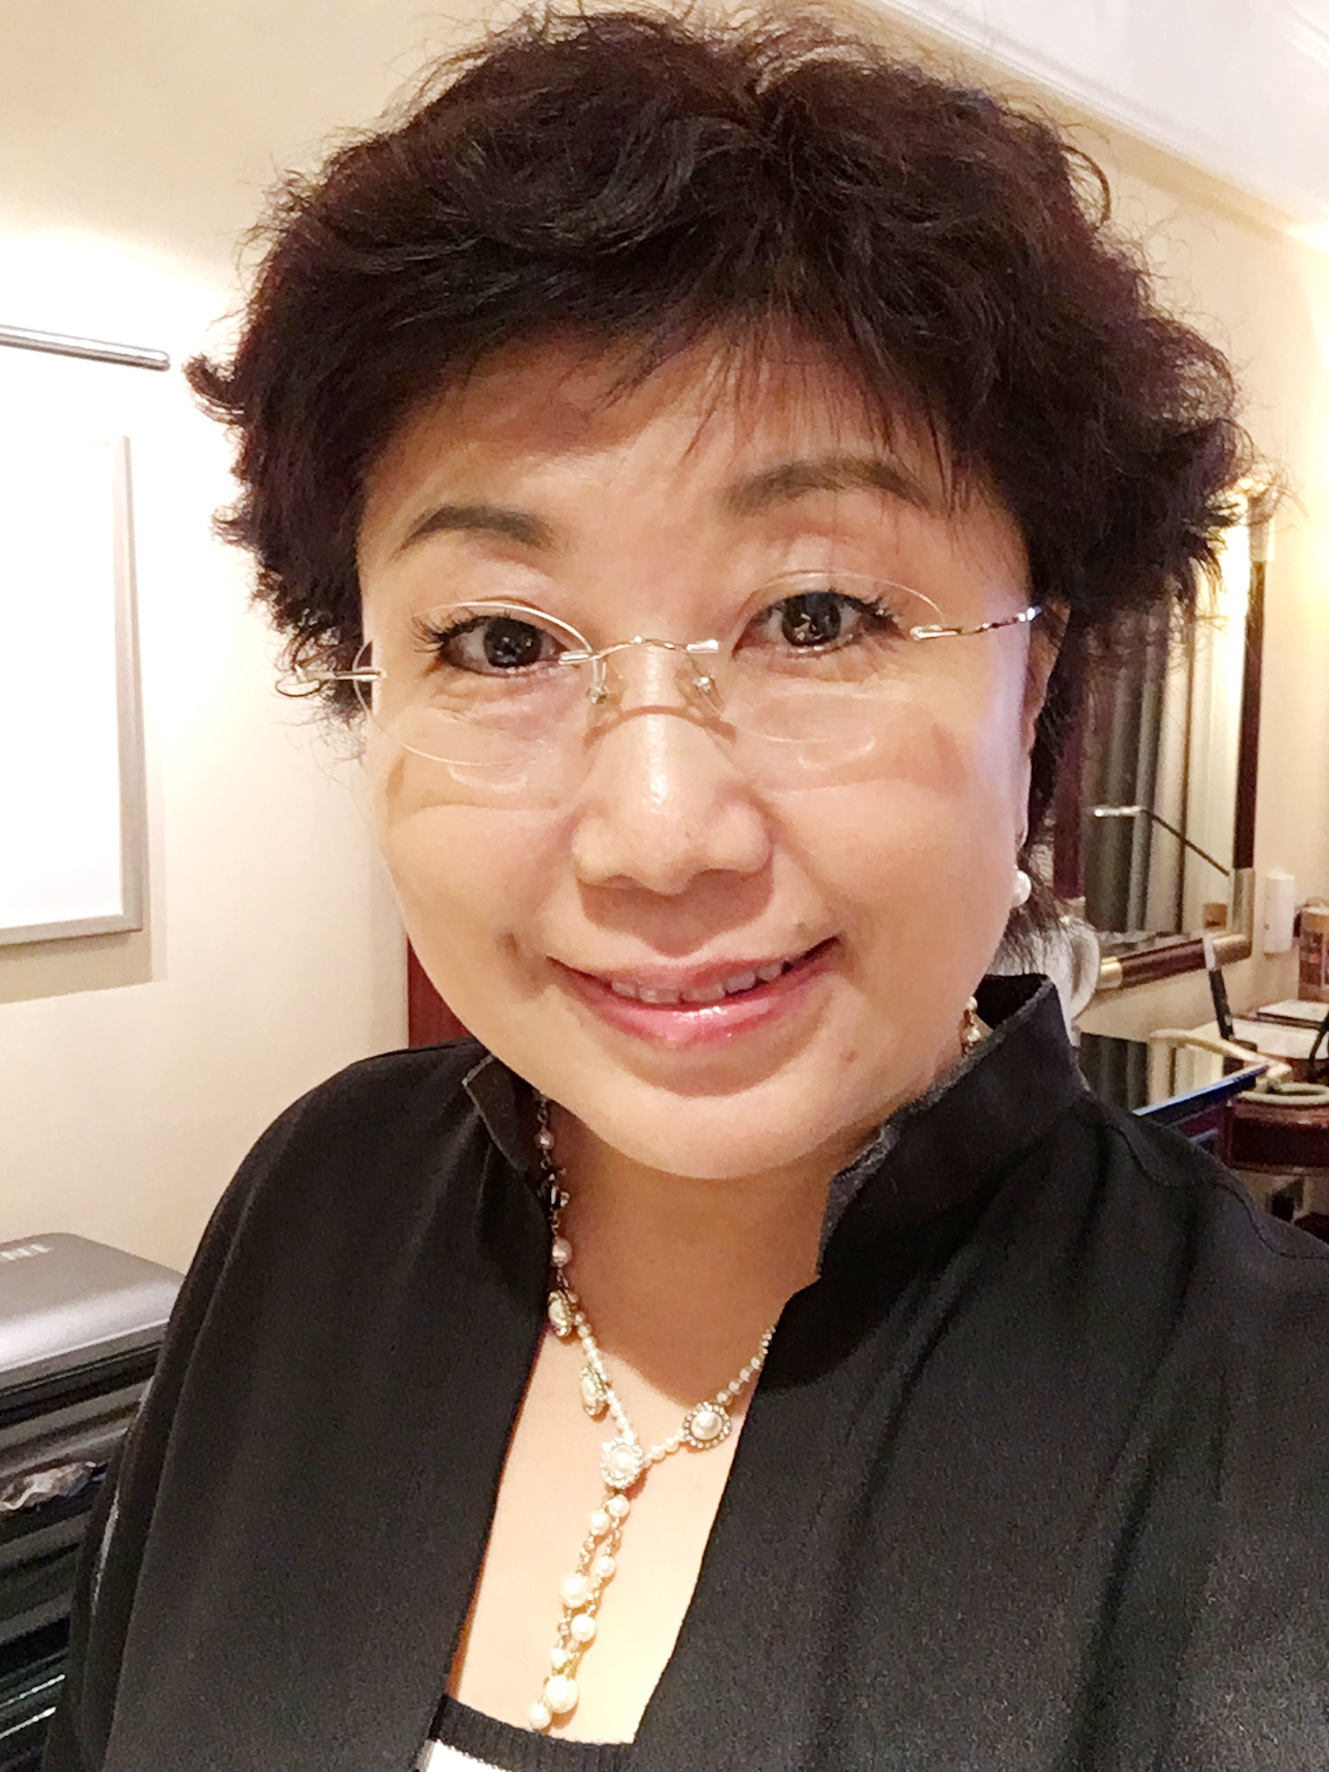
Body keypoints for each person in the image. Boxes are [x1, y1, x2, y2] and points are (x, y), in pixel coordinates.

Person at [44, 9, 1329, 1771]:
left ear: (1033, 686)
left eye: (818, 615)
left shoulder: (1267, 1433)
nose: (657, 836)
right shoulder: (317, 1203)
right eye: (502, 641)